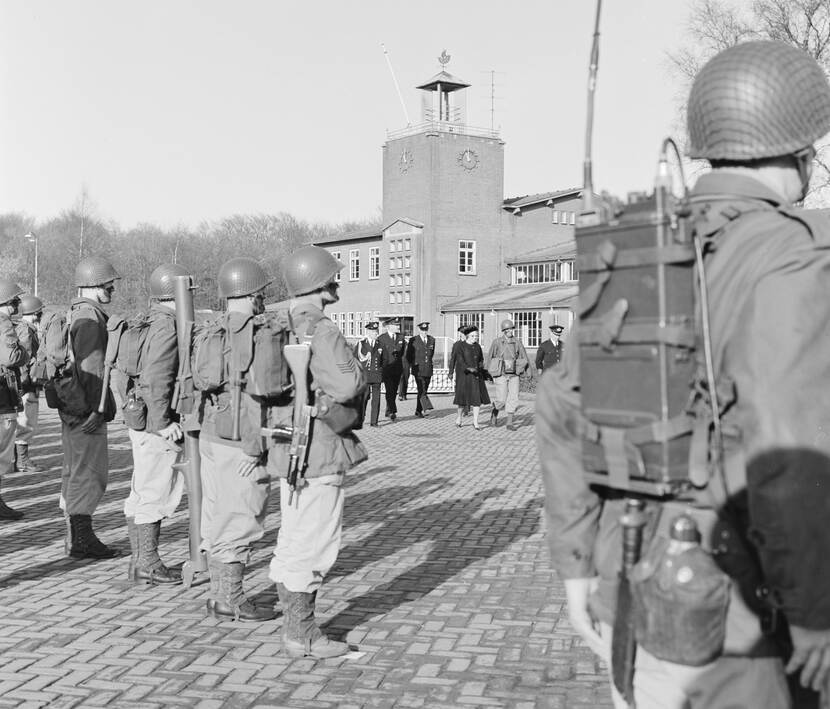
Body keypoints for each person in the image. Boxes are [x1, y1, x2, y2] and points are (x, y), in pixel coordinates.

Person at [537, 40, 830, 709]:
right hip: (736, 615)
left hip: (630, 587)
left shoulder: (639, 241)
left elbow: (559, 403)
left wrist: (577, 566)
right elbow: (787, 447)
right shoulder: (792, 255)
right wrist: (815, 609)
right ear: (802, 151)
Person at [267, 245, 367, 658]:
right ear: (320, 283)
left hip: (284, 443)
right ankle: (302, 634)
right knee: (314, 542)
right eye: (333, 277)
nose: (337, 282)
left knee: (292, 538)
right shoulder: (320, 329)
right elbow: (346, 386)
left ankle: (297, 628)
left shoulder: (273, 323)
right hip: (318, 447)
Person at [197, 257, 276, 621]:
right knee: (240, 514)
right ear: (253, 293)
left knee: (216, 512)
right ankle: (230, 598)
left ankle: (218, 594)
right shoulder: (256, 332)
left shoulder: (211, 329)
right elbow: (261, 391)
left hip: (212, 432)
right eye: (262, 292)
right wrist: (256, 446)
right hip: (240, 435)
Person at [123, 264, 188, 586]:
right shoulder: (166, 326)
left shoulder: (146, 320)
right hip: (155, 422)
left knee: (142, 491)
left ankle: (141, 562)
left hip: (141, 418)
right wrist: (163, 423)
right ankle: (147, 562)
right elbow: (157, 377)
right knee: (155, 492)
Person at [61, 256, 121, 559]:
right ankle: (81, 540)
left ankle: (75, 537)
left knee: (74, 471)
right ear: (95, 284)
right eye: (109, 284)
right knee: (90, 473)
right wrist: (99, 409)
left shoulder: (74, 313)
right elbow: (94, 369)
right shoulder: (90, 318)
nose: (112, 289)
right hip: (86, 409)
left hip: (71, 405)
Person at [0, 280, 28, 520]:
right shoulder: (3, 323)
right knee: (1, 454)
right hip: (2, 398)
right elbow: (10, 356)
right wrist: (25, 351)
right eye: (15, 301)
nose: (18, 305)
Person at [14, 295, 45, 473]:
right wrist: (29, 382)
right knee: (26, 422)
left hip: (21, 383)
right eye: (39, 314)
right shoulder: (27, 330)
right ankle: (23, 461)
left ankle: (15, 460)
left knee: (20, 422)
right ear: (35, 314)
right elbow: (24, 359)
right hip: (26, 384)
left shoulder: (19, 327)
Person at [487, 319, 529, 430]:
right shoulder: (497, 342)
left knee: (514, 398)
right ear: (504, 330)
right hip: (501, 373)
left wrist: (528, 373)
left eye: (511, 329)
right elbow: (490, 357)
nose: (510, 331)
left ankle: (509, 423)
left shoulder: (517, 342)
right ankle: (494, 412)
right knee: (502, 399)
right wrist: (488, 373)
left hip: (514, 373)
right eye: (508, 329)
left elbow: (524, 357)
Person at [449, 326, 489, 430]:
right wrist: (468, 368)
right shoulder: (460, 346)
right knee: (462, 400)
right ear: (467, 336)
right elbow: (460, 360)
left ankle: (475, 422)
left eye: (476, 336)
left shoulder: (478, 346)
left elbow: (481, 359)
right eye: (473, 336)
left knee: (476, 400)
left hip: (476, 377)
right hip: (465, 376)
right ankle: (459, 418)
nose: (475, 338)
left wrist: (481, 368)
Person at [354, 321, 384, 427]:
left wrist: (382, 373)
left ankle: (374, 421)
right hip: (365, 375)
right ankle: (361, 418)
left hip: (376, 375)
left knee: (376, 400)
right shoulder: (361, 344)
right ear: (369, 332)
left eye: (377, 331)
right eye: (374, 331)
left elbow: (384, 360)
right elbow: (355, 359)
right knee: (364, 398)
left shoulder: (380, 344)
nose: (376, 333)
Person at [376, 317, 404, 421]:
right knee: (389, 390)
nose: (398, 327)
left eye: (398, 325)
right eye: (396, 325)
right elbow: (379, 355)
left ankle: (389, 409)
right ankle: (392, 410)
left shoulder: (401, 337)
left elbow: (403, 353)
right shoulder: (382, 338)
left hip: (397, 368)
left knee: (394, 390)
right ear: (388, 327)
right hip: (387, 368)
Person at [406, 321, 435, 418]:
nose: (424, 332)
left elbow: (431, 354)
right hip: (418, 369)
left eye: (426, 330)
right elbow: (408, 355)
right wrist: (414, 365)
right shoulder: (413, 340)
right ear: (419, 330)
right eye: (422, 330)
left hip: (428, 369)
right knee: (422, 389)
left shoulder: (432, 340)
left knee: (423, 390)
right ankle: (426, 409)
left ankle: (418, 411)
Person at [449, 324, 471, 416]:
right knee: (460, 390)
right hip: (460, 371)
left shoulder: (471, 343)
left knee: (469, 389)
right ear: (460, 334)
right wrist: (450, 372)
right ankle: (462, 407)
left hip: (470, 370)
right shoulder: (456, 345)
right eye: (463, 333)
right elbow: (453, 359)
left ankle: (467, 408)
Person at [398, 333, 410, 402]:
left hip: (407, 363)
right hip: (400, 363)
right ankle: (400, 395)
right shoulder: (399, 344)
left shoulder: (408, 344)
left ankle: (404, 394)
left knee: (406, 379)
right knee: (401, 379)